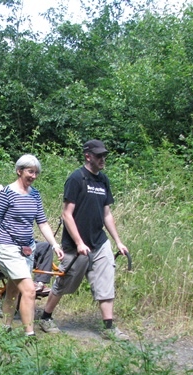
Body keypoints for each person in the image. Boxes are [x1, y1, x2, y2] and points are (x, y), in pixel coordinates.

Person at [40, 139, 129, 339]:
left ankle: (109, 328)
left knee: (106, 282)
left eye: (104, 155)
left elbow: (107, 214)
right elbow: (67, 214)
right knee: (64, 283)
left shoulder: (103, 180)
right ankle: (46, 317)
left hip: (99, 242)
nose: (102, 159)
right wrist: (79, 243)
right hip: (75, 245)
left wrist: (118, 241)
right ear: (88, 156)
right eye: (99, 156)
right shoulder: (76, 178)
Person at [0, 155, 63, 336]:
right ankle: (29, 335)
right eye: (30, 171)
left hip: (27, 249)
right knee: (29, 290)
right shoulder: (6, 194)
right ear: (19, 171)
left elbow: (42, 222)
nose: (33, 176)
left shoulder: (35, 195)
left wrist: (55, 245)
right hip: (7, 247)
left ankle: (5, 328)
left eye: (36, 173)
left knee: (13, 290)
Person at [0, 184, 54, 295]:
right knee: (21, 292)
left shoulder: (13, 211)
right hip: (0, 248)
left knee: (46, 247)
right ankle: (28, 289)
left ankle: (40, 282)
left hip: (23, 245)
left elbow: (39, 223)